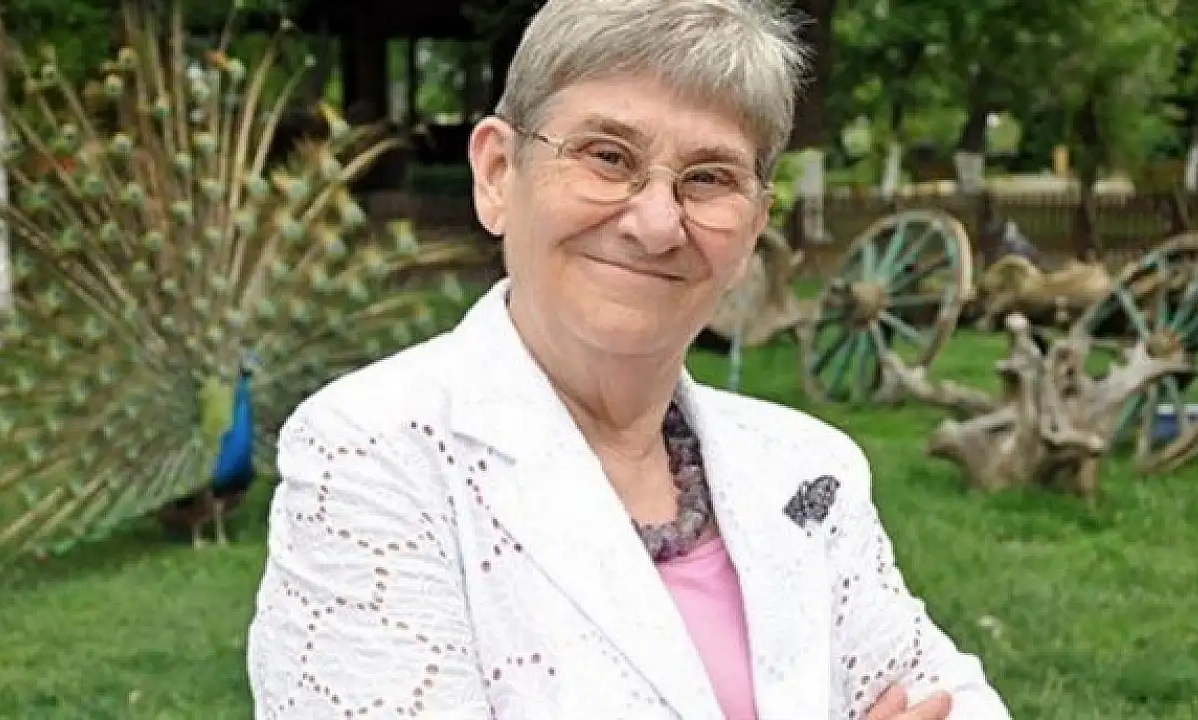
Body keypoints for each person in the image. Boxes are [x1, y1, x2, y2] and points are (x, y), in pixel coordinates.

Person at [245, 1, 1012, 718]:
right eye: (608, 157)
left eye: (709, 178)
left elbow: (957, 700)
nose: (655, 223)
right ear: (497, 173)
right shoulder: (375, 454)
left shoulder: (808, 468)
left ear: (754, 225)